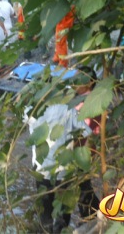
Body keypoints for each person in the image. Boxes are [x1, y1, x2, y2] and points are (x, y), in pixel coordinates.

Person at [26, 67, 100, 232]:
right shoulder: (68, 109)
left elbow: (25, 119)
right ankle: (90, 217)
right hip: (64, 170)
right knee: (62, 215)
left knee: (45, 214)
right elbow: (86, 131)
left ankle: (47, 229)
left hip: (41, 169)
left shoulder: (31, 110)